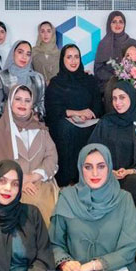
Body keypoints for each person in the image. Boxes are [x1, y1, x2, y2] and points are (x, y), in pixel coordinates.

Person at [0, 85, 59, 224]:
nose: (23, 104)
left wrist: (34, 176)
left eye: (27, 100)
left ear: (32, 105)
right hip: (10, 185)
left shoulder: (40, 128)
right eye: (18, 99)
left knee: (43, 202)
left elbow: (52, 156)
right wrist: (20, 181)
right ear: (10, 102)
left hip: (41, 181)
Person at [44, 44, 103, 187]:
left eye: (76, 57)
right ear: (62, 60)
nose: (73, 61)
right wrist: (76, 113)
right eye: (69, 57)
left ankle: (91, 176)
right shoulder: (56, 83)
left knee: (102, 126)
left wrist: (88, 115)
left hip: (88, 122)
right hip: (66, 123)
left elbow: (98, 105)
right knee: (65, 128)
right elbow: (52, 110)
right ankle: (67, 178)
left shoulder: (89, 80)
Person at [88, 82, 136, 204]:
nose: (117, 102)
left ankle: (126, 215)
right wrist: (107, 171)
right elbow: (92, 150)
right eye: (114, 98)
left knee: (133, 182)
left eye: (122, 97)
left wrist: (129, 171)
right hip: (105, 173)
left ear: (131, 97)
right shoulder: (106, 122)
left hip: (132, 175)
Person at [0, 40, 46, 119]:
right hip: (8, 120)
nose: (24, 57)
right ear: (13, 53)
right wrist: (18, 115)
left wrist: (35, 115)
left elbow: (41, 103)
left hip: (33, 120)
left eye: (28, 54)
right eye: (20, 52)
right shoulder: (1, 78)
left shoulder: (38, 78)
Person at [94, 11, 136, 93]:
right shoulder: (103, 44)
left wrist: (129, 77)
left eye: (120, 22)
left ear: (124, 24)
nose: (117, 25)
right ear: (109, 24)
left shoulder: (132, 43)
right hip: (108, 87)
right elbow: (98, 70)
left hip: (130, 87)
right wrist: (117, 76)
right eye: (114, 22)